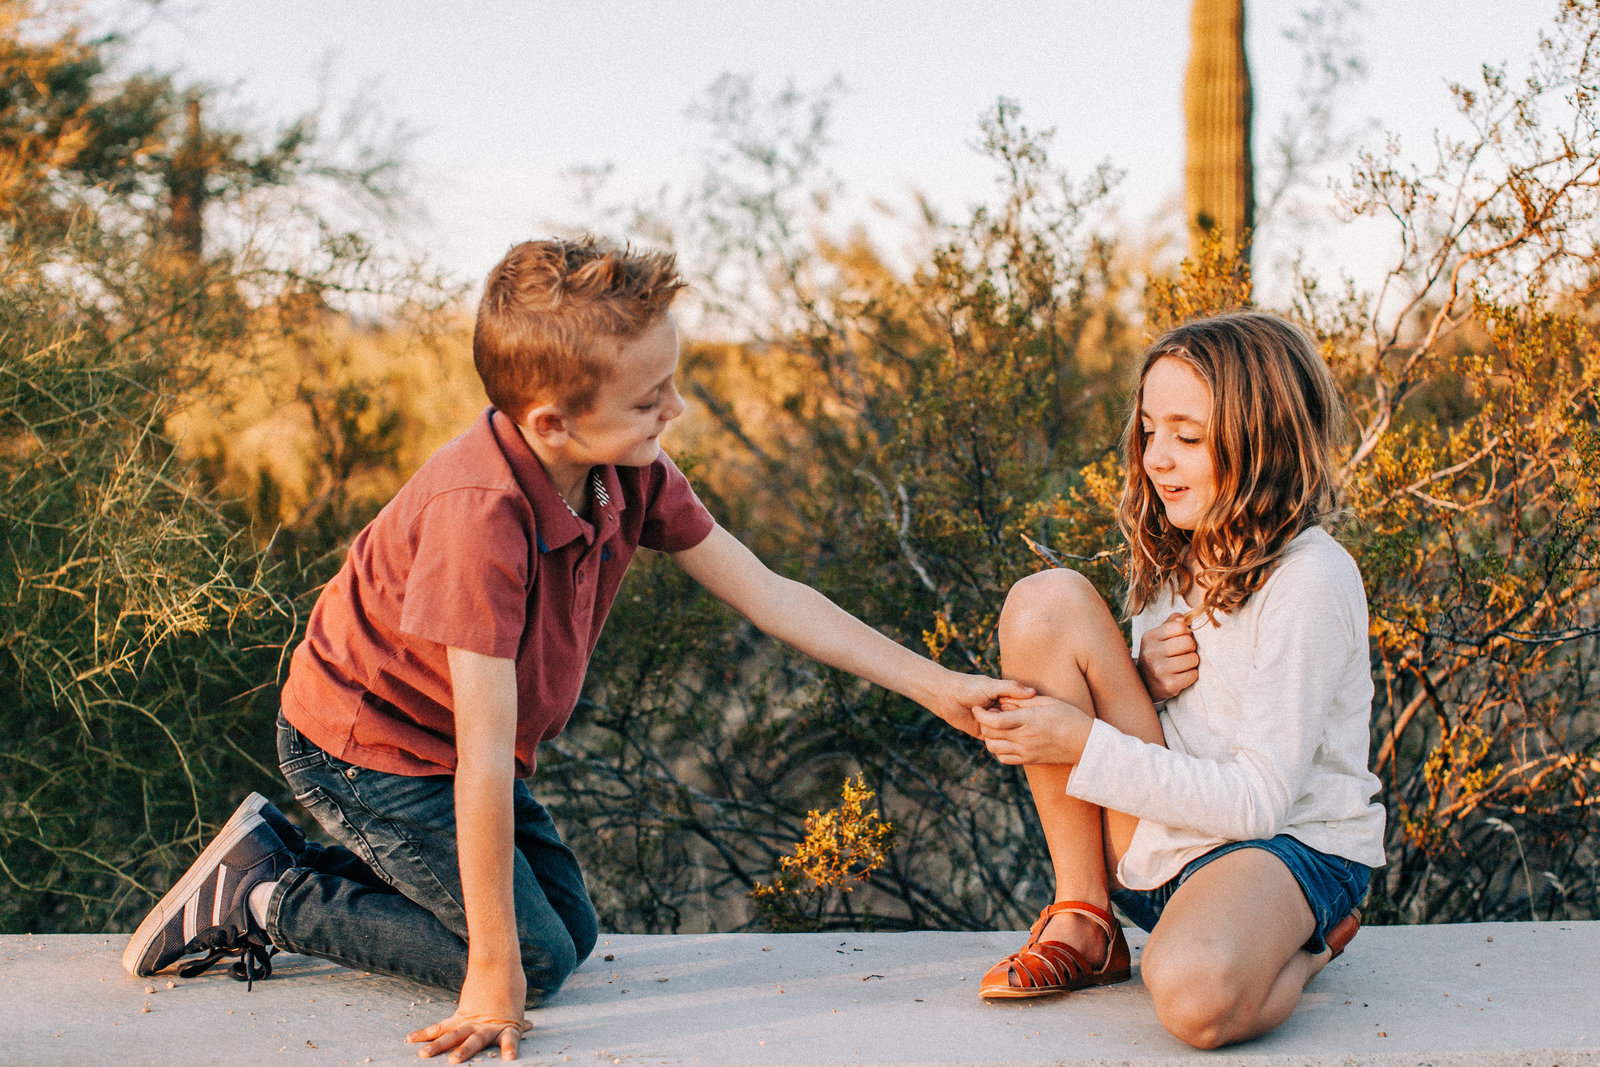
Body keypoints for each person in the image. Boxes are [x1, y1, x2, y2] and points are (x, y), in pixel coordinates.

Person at [123, 237, 1031, 1064]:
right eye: (649, 399)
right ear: (551, 422)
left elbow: (769, 593)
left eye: (670, 383)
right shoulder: (479, 516)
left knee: (572, 930)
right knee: (536, 964)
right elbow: (478, 758)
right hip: (369, 753)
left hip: (450, 749)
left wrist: (937, 685)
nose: (675, 409)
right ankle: (265, 898)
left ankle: (267, 859)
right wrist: (490, 975)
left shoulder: (624, 470)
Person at [972, 311, 1385, 1049]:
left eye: (1188, 438)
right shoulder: (1172, 549)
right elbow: (1181, 729)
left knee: (1194, 999)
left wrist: (1082, 738)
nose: (1158, 459)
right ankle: (1087, 914)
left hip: (1285, 845)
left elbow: (1259, 801)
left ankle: (1311, 949)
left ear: (1263, 442)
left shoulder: (1311, 579)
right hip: (1167, 848)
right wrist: (1137, 680)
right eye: (1148, 431)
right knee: (1044, 604)